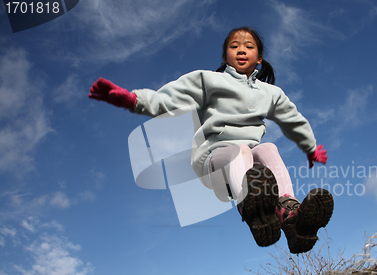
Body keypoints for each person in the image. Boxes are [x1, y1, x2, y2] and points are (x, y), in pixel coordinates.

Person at [89, 27, 334, 254]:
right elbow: (173, 97)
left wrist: (310, 147)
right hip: (214, 162)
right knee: (240, 150)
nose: (240, 49)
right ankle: (252, 210)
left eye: (248, 46)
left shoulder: (271, 93)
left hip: (252, 166)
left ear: (259, 58)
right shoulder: (209, 81)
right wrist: (134, 100)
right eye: (234, 46)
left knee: (267, 147)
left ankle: (291, 218)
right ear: (225, 55)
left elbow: (292, 118)